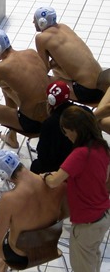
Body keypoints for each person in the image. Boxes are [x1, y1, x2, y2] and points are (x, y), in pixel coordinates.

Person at [41, 106, 110, 272]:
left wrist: (45, 175)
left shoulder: (80, 154)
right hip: (103, 215)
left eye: (66, 131)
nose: (66, 136)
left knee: (82, 267)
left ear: (76, 131)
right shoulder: (102, 146)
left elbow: (53, 181)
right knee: (92, 257)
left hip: (86, 223)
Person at [33, 6, 104, 103]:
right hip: (102, 85)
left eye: (35, 20)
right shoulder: (64, 27)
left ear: (42, 22)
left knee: (40, 81)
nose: (33, 22)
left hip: (87, 91)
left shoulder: (41, 38)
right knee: (57, 70)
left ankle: (53, 113)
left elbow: (43, 70)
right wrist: (54, 63)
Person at [30, 80, 91, 174]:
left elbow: (42, 155)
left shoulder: (50, 123)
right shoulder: (86, 111)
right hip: (87, 161)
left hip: (62, 168)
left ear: (50, 100)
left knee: (36, 165)